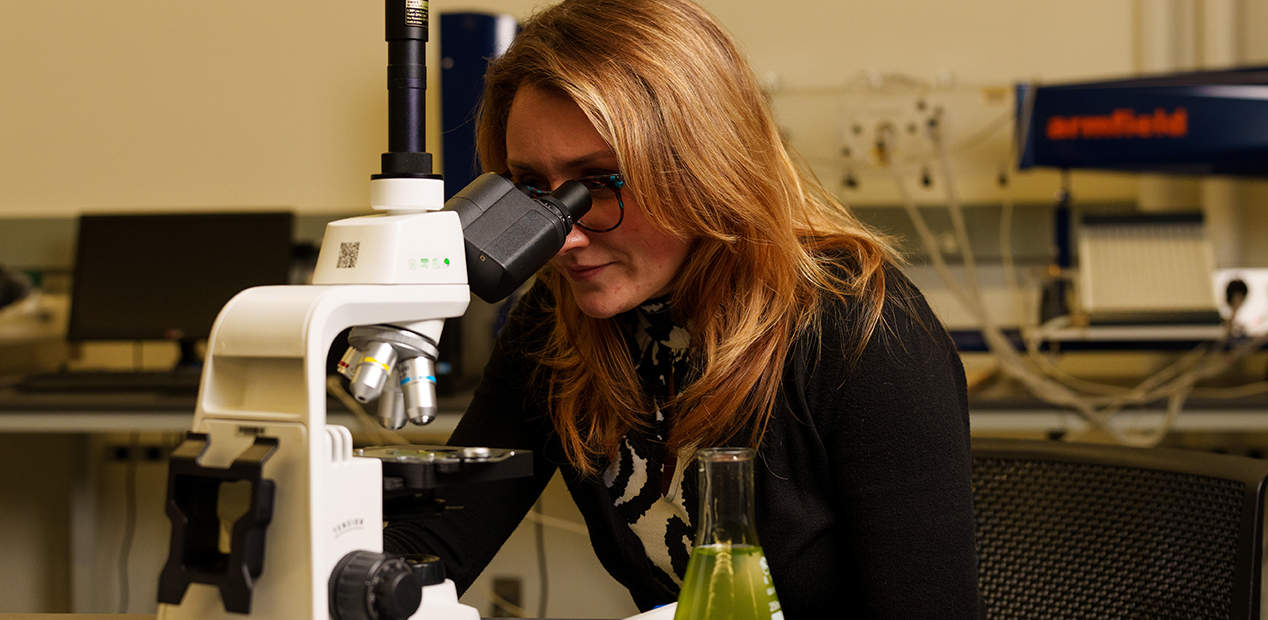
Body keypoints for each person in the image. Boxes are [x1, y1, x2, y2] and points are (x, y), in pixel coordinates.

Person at [384, 0, 984, 617]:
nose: (563, 236)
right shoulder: (555, 323)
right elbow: (436, 540)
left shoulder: (866, 335)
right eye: (533, 191)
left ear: (704, 170)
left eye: (600, 183)